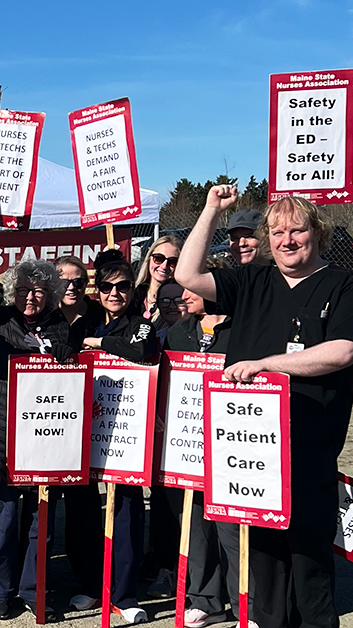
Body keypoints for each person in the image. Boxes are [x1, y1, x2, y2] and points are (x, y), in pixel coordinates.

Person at [177, 186, 353, 628]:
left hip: (309, 448)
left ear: (318, 233)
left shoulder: (343, 282)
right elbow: (187, 274)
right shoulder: (251, 278)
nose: (286, 240)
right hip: (251, 453)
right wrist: (212, 210)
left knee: (310, 561)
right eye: (277, 231)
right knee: (262, 565)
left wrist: (265, 366)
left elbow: (343, 350)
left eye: (297, 230)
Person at [0, 209, 72, 623]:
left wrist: (65, 357)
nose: (31, 297)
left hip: (46, 443)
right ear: (14, 291)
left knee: (39, 521)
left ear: (50, 295)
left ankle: (33, 588)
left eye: (40, 292)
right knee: (4, 518)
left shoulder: (60, 329)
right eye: (25, 290)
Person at [77, 248, 159, 623]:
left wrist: (101, 345)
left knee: (125, 512)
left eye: (123, 286)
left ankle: (124, 596)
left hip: (127, 433)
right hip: (88, 429)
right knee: (88, 515)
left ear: (131, 290)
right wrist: (90, 341)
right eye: (107, 287)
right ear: (98, 291)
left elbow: (142, 351)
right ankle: (95, 587)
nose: (115, 293)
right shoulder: (88, 321)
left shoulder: (139, 324)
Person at [163, 257, 240, 628]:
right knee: (193, 524)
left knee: (231, 526)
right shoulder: (178, 332)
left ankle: (245, 603)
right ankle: (205, 598)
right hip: (185, 446)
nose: (184, 294)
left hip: (230, 446)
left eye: (193, 286)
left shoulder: (242, 330)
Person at [134, 235, 182, 329]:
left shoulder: (178, 305)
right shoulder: (134, 295)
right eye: (158, 258)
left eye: (172, 261)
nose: (164, 266)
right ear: (149, 259)